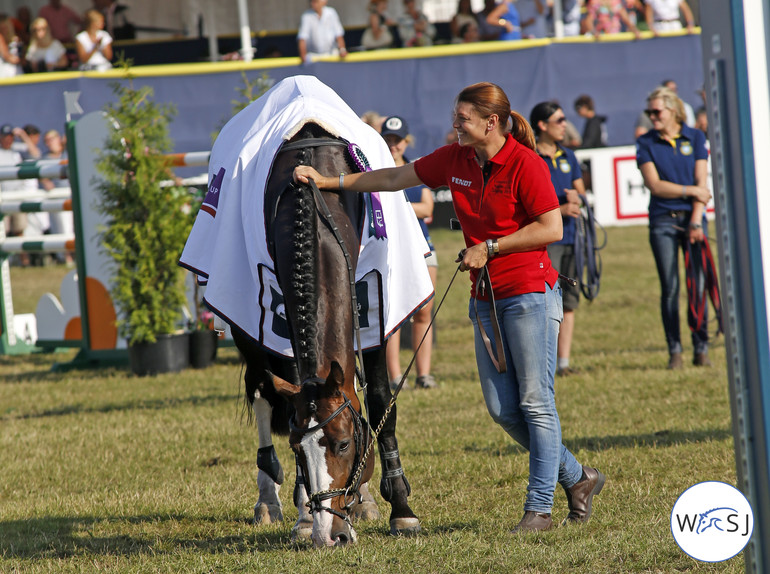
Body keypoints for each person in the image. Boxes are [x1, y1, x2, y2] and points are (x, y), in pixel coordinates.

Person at [294, 81, 606, 533]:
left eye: (462, 119)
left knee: (537, 405)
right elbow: (394, 177)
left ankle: (539, 510)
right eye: (455, 118)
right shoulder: (455, 159)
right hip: (485, 299)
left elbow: (551, 226)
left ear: (490, 123)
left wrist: (491, 246)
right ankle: (579, 478)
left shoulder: (526, 163)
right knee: (504, 411)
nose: (454, 126)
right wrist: (330, 181)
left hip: (530, 294)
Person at [636, 86, 712, 369]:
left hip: (693, 219)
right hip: (663, 222)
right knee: (670, 287)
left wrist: (695, 219)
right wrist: (691, 190)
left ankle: (701, 348)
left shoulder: (695, 136)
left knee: (699, 286)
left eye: (657, 111)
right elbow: (655, 185)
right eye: (649, 112)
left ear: (674, 111)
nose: (652, 117)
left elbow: (703, 186)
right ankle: (675, 351)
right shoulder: (646, 143)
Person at [380, 116, 439, 391]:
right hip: (390, 250)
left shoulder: (418, 168)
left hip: (423, 248)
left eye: (397, 140)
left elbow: (428, 209)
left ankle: (424, 375)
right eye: (388, 140)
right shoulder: (374, 171)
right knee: (393, 315)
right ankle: (395, 376)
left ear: (406, 141)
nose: (393, 146)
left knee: (424, 312)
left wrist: (396, 208)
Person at [531, 101, 586, 376]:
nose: (565, 124)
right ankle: (546, 364)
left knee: (569, 301)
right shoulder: (530, 157)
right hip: (545, 242)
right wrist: (559, 210)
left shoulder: (569, 156)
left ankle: (563, 363)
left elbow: (582, 192)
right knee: (544, 303)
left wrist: (578, 199)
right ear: (542, 125)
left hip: (572, 239)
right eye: (559, 119)